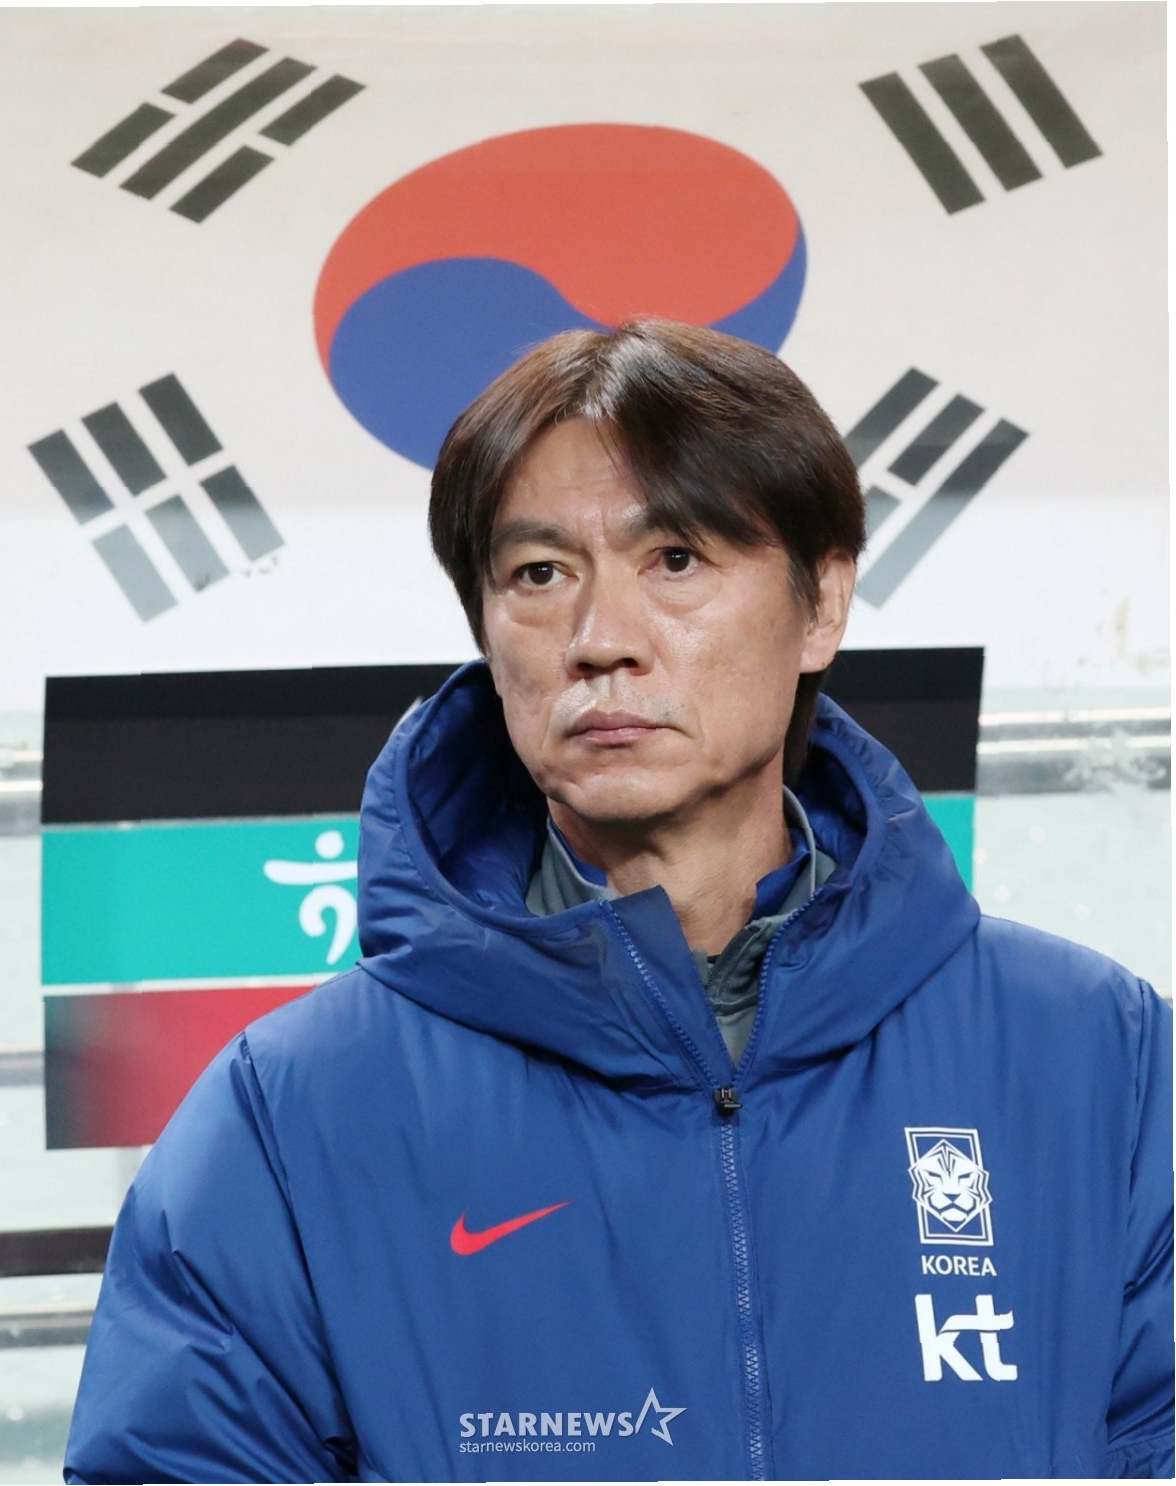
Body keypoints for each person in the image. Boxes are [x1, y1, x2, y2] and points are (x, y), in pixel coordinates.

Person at [65, 320, 1172, 1483]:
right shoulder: (292, 1115)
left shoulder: (1104, 1056)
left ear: (822, 604)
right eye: (539, 575)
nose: (601, 641)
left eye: (677, 559)